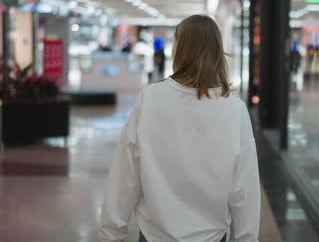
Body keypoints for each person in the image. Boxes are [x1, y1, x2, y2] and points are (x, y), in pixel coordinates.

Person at [99, 15, 261, 242]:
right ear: (217, 52)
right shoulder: (234, 110)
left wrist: (111, 234)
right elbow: (244, 188)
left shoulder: (151, 99)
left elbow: (126, 174)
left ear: (179, 49)